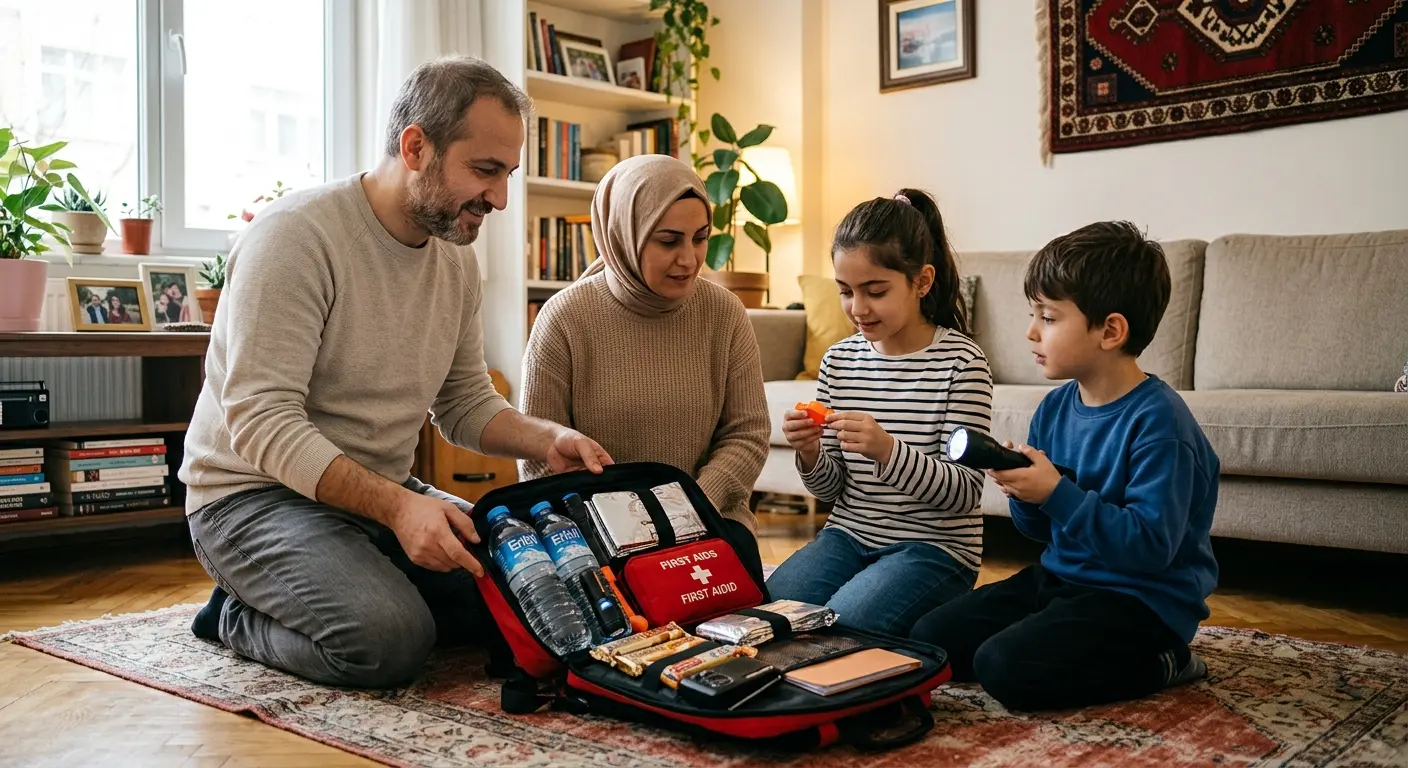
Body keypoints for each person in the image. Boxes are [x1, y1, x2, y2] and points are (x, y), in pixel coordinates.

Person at [178, 55, 614, 689]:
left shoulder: (457, 259)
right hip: (250, 499)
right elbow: (261, 422)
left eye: (508, 174)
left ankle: (352, 579)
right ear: (416, 147)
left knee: (535, 603)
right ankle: (232, 616)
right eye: (485, 171)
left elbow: (463, 403)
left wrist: (548, 439)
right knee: (389, 643)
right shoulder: (296, 238)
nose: (499, 198)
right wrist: (400, 509)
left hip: (375, 493)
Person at [909, 221, 1219, 712]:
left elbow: (1150, 550)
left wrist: (1056, 493)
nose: (1031, 331)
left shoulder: (1160, 423)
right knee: (931, 639)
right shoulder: (1054, 409)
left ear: (1111, 330)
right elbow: (1042, 530)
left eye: (1049, 318)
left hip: (1141, 602)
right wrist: (1027, 493)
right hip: (1065, 580)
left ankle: (1166, 661)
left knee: (1004, 667)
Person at [519, 154, 769, 569]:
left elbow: (748, 432)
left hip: (708, 518)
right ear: (623, 234)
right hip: (596, 532)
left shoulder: (724, 313)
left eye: (700, 238)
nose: (689, 259)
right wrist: (621, 527)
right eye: (669, 241)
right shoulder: (564, 318)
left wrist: (691, 505)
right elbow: (538, 458)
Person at [765, 189, 993, 636]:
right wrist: (810, 454)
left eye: (875, 291)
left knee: (848, 624)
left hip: (935, 549)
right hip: (849, 535)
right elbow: (830, 488)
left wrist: (888, 450)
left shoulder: (962, 364)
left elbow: (966, 493)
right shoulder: (839, 361)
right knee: (773, 611)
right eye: (846, 292)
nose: (858, 309)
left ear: (922, 282)